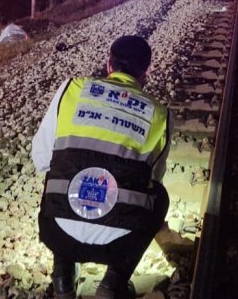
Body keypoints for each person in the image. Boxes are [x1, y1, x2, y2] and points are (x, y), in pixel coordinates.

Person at [32, 36, 171, 299]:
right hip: (120, 245)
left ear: (109, 64)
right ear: (147, 72)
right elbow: (153, 179)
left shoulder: (71, 89)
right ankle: (113, 285)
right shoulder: (160, 114)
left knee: (56, 174)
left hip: (58, 233)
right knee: (159, 197)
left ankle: (63, 279)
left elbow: (40, 157)